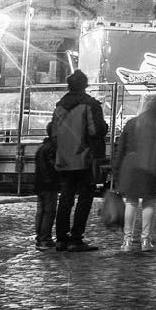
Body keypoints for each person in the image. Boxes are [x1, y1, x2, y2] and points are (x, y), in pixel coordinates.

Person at [48, 67, 108, 252]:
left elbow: (53, 133)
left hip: (64, 160)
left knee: (65, 198)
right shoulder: (90, 104)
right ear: (85, 85)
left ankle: (60, 239)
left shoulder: (59, 106)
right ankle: (76, 238)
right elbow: (95, 131)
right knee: (85, 198)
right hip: (84, 159)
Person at [112, 94, 156, 252]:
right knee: (149, 203)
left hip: (132, 169)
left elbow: (121, 148)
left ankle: (127, 241)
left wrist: (116, 169)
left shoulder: (132, 123)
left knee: (130, 203)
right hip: (153, 170)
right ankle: (146, 240)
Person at [34, 132, 59, 249]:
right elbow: (54, 166)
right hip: (49, 184)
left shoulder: (41, 149)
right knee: (49, 212)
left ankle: (39, 236)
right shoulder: (52, 149)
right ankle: (45, 238)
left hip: (39, 184)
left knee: (41, 211)